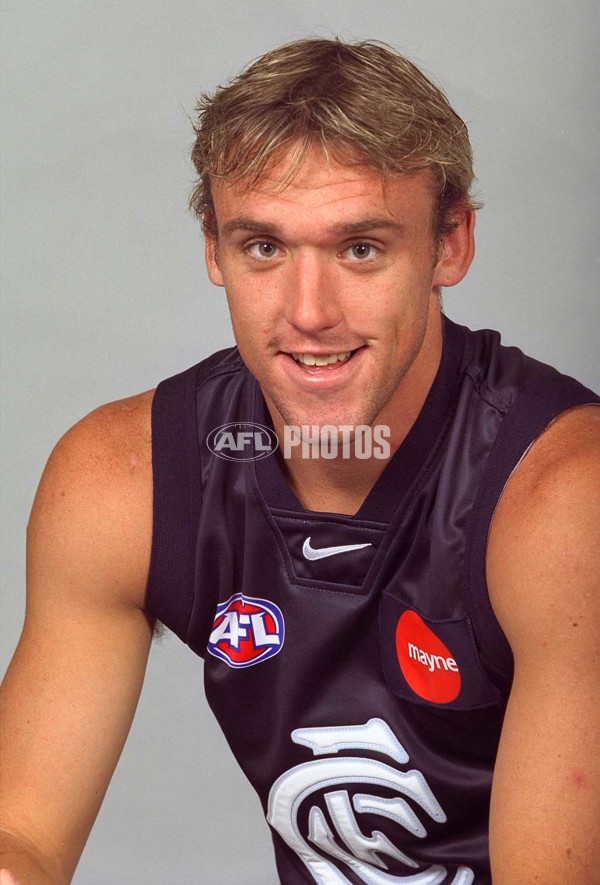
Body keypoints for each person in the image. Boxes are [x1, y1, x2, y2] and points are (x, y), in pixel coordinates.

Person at [1, 36, 599, 885]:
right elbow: (20, 832)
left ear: (451, 244)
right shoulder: (120, 480)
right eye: (264, 248)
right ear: (214, 246)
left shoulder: (563, 499)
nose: (308, 314)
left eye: (360, 248)